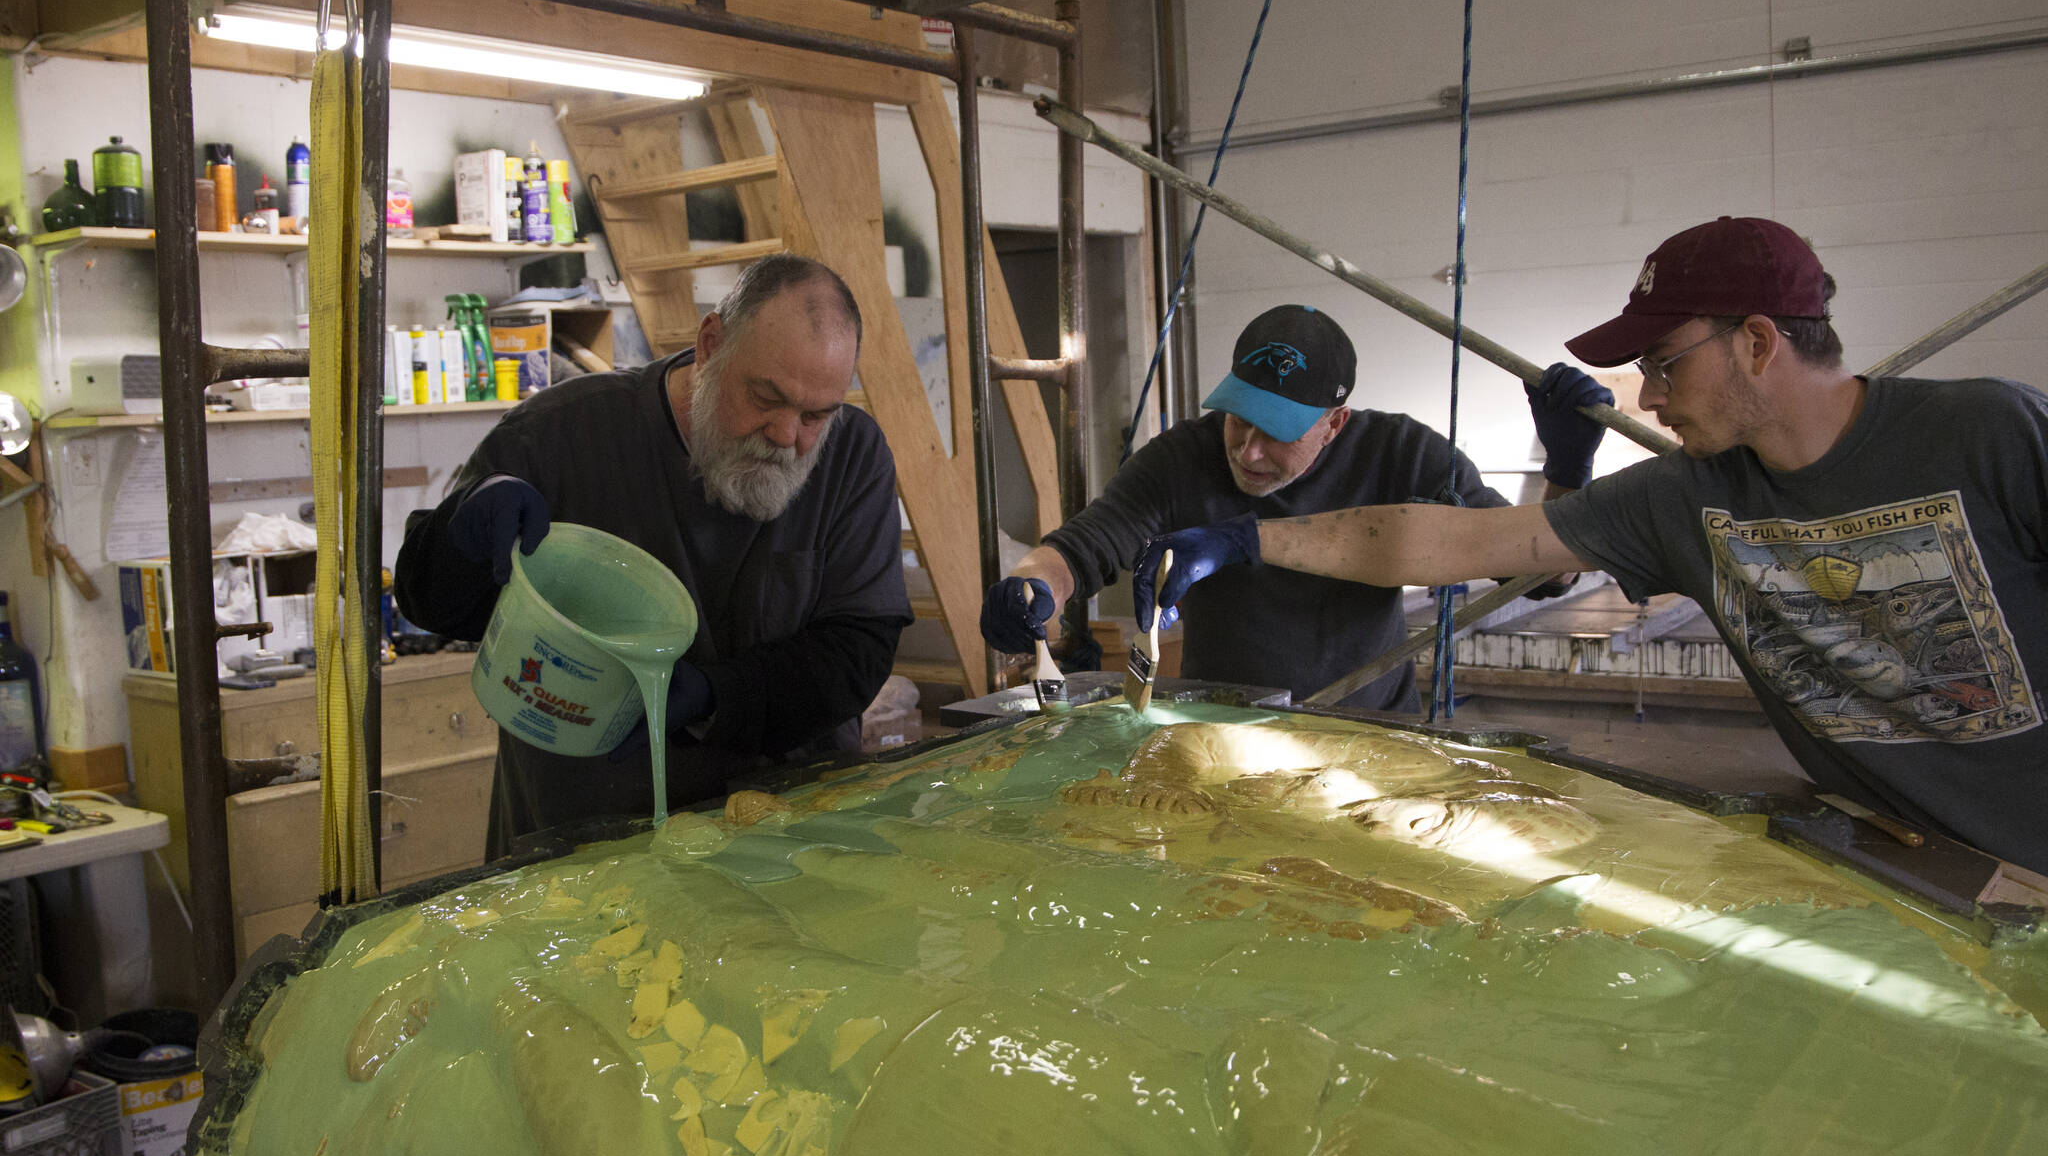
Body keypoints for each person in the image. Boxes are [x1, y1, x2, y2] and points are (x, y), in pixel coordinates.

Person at [1135, 217, 2048, 871]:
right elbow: (1449, 542)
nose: (1647, 397)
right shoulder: (1683, 496)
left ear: (1759, 342)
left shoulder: (1986, 432)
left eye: (1663, 363)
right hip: (1904, 866)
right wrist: (1249, 541)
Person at [396, 254, 912, 854]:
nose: (786, 435)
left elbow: (858, 649)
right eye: (766, 397)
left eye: (814, 415)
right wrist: (461, 531)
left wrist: (714, 696)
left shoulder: (853, 457)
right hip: (585, 851)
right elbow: (429, 603)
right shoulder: (560, 437)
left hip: (790, 840)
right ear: (711, 344)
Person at [979, 303, 1613, 710]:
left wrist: (1567, 471)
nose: (1249, 453)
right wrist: (1034, 584)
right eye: (1237, 422)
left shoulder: (1405, 456)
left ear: (1334, 424)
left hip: (1372, 737)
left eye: (1277, 432)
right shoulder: (1182, 458)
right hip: (1225, 730)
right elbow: (1090, 542)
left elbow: (1540, 574)